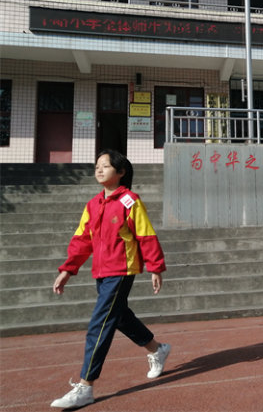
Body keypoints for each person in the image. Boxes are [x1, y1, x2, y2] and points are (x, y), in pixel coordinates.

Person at [51, 150, 171, 409]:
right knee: (119, 316)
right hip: (101, 271)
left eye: (105, 166)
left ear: (121, 172)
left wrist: (155, 267)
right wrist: (67, 270)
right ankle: (156, 348)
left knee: (100, 323)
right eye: (97, 166)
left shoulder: (130, 201)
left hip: (122, 270)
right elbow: (81, 240)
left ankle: (85, 386)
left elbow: (145, 235)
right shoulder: (93, 204)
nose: (99, 169)